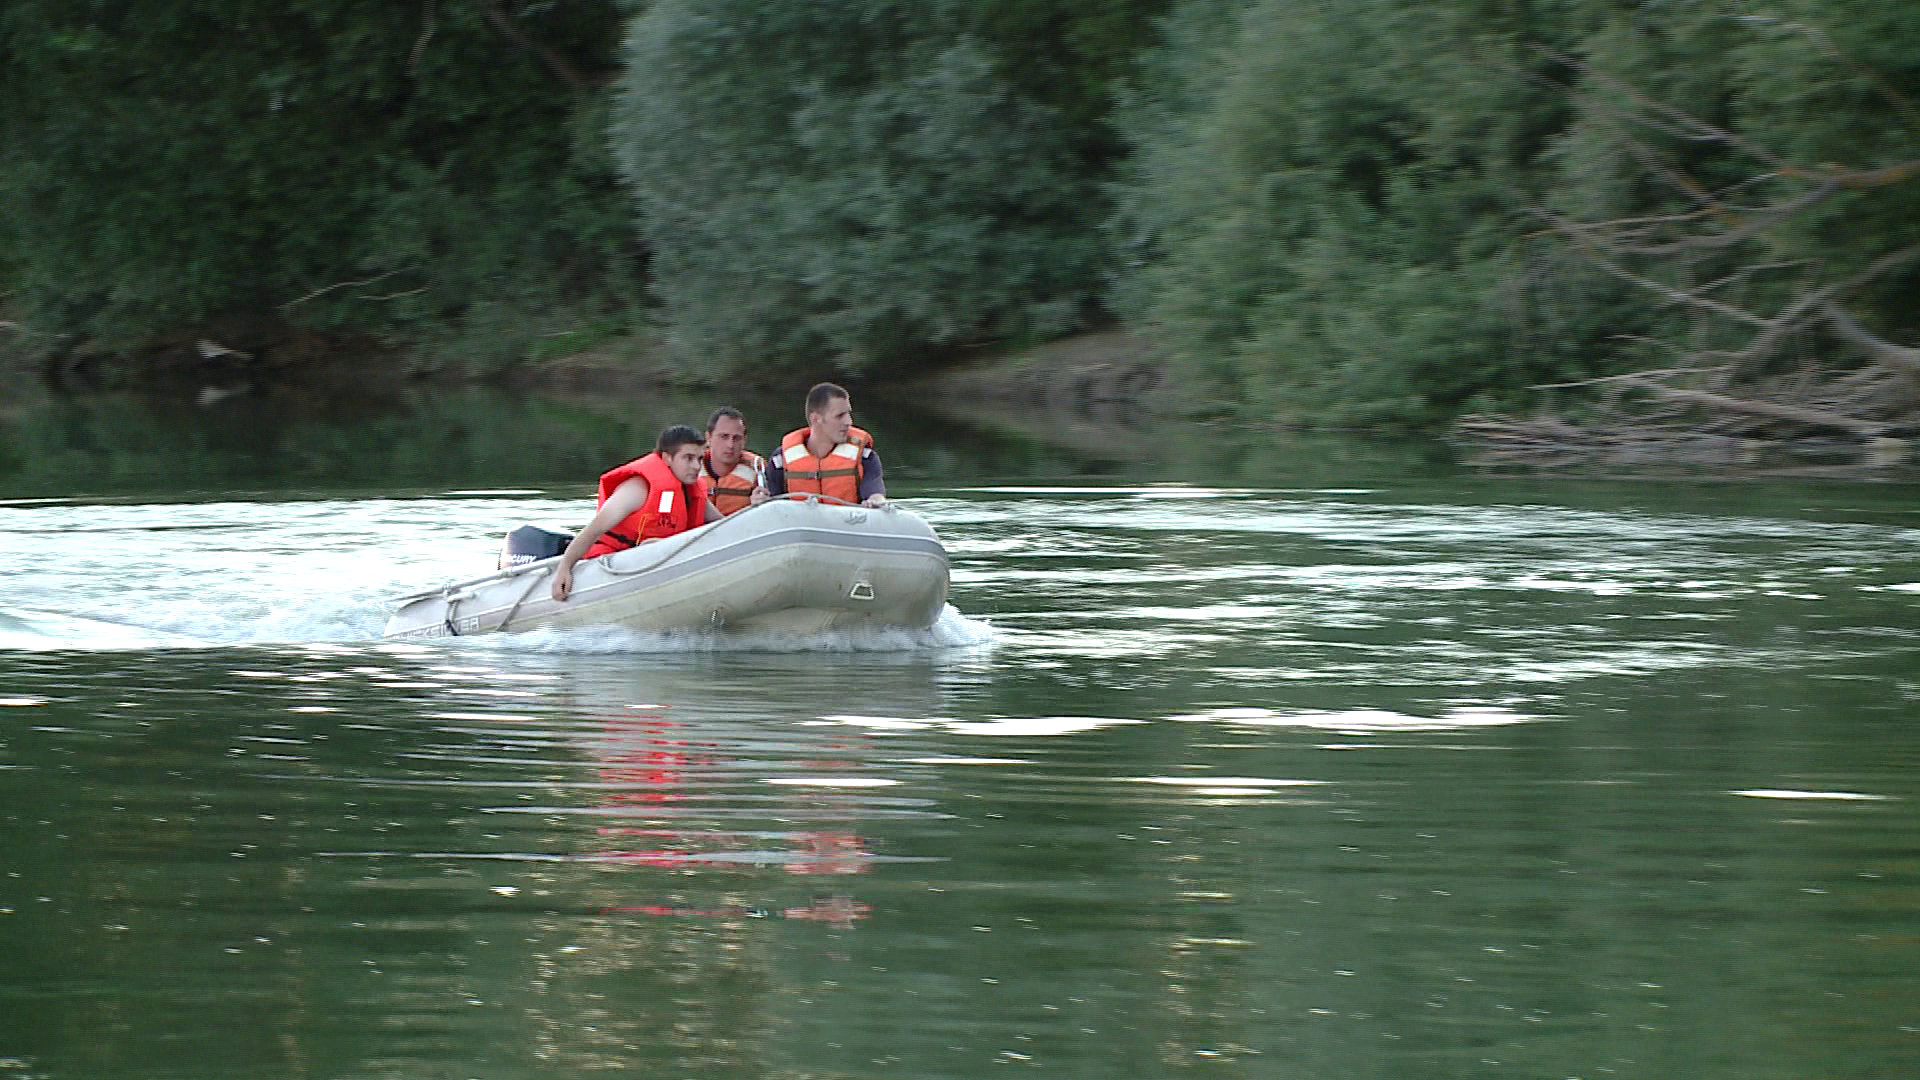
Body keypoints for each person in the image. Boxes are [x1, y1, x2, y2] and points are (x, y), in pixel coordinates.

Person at [551, 425, 718, 602]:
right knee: (652, 545)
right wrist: (564, 568)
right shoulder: (637, 488)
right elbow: (594, 529)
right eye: (688, 458)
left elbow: (726, 525)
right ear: (667, 458)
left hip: (651, 563)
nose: (696, 466)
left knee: (656, 545)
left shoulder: (690, 491)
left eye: (700, 459)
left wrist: (752, 506)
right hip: (608, 565)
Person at [763, 382, 887, 508]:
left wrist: (876, 499)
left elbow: (874, 492)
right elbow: (772, 503)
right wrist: (760, 500)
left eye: (848, 414)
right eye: (840, 416)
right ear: (816, 419)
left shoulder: (865, 457)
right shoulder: (779, 461)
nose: (849, 422)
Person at [701, 406, 769, 516]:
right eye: (724, 436)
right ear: (708, 438)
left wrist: (760, 508)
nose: (730, 445)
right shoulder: (690, 467)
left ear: (745, 441)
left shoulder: (758, 469)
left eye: (737, 438)